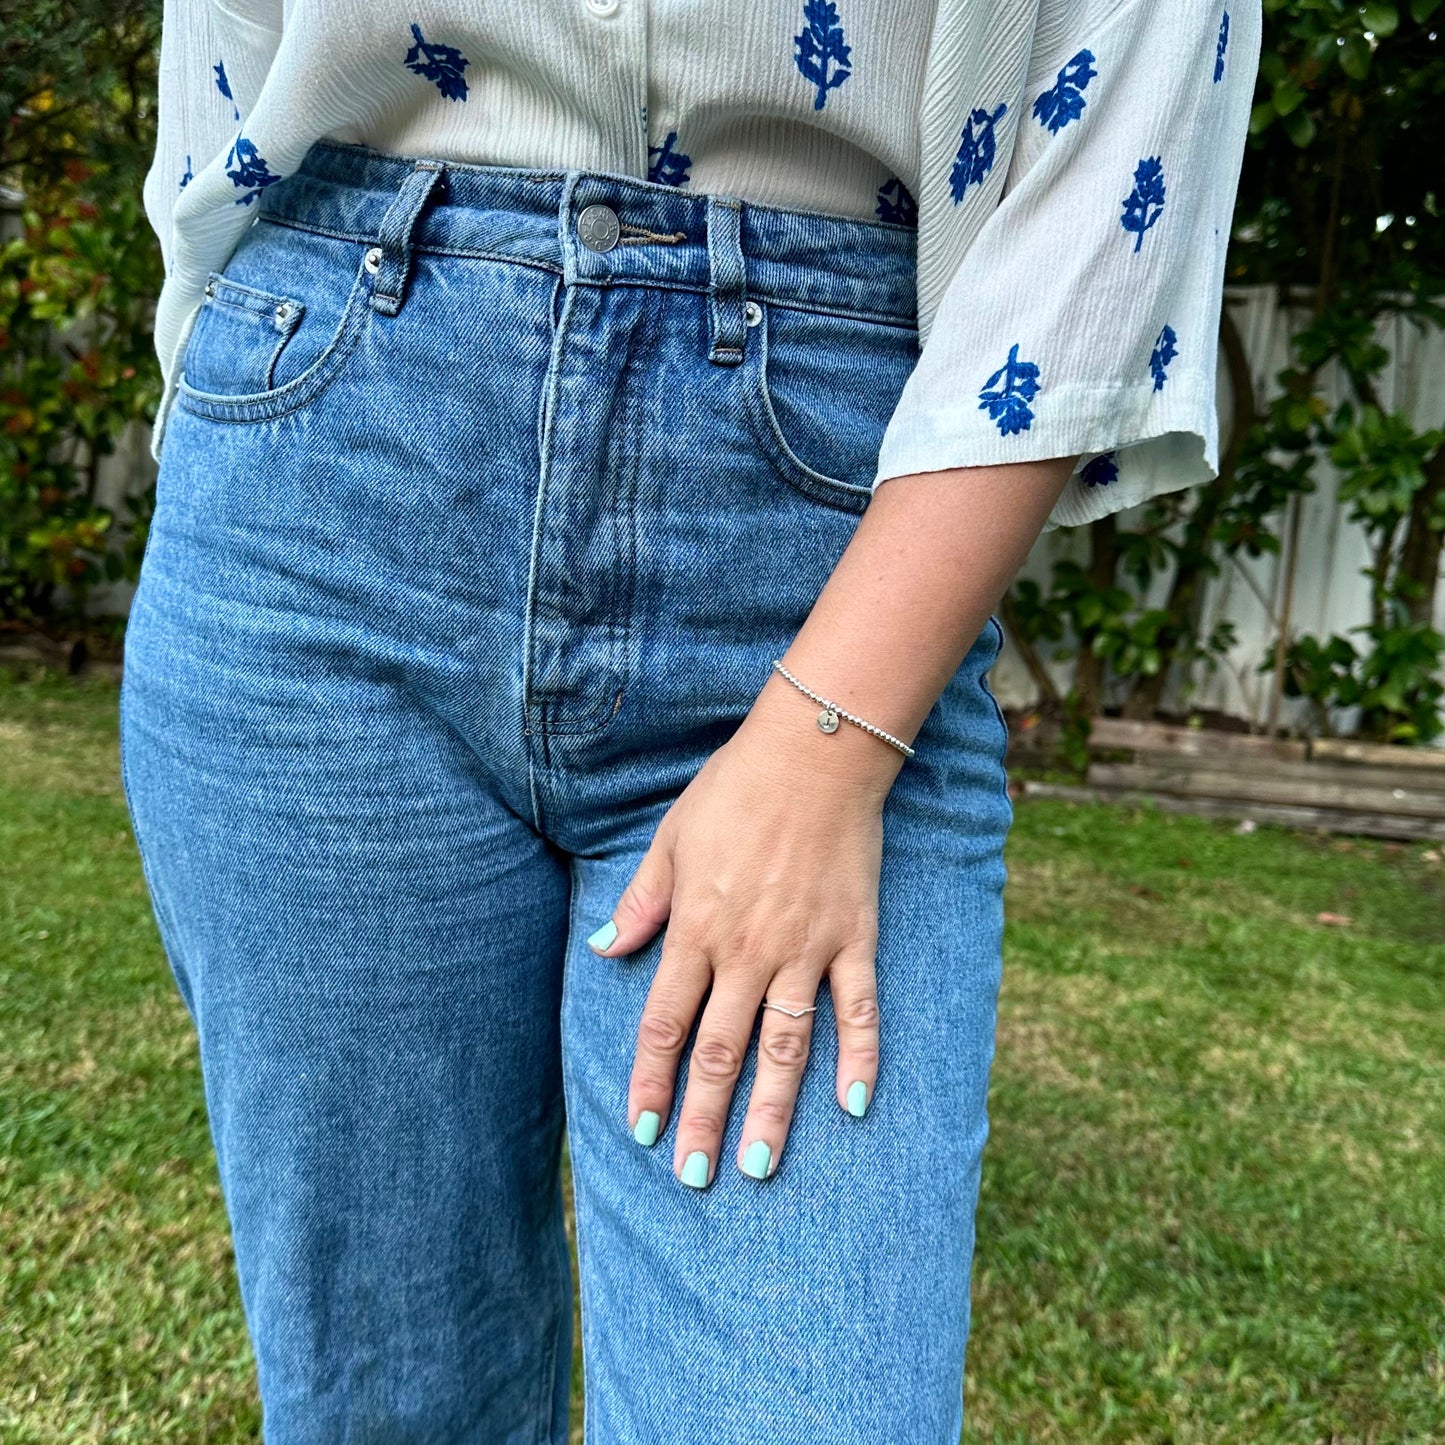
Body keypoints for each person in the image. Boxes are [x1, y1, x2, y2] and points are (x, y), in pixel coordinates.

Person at [120, 2, 1259, 1440]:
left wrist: (827, 733)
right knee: (381, 1400)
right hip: (321, 445)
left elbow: (1117, 159)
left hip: (827, 529)